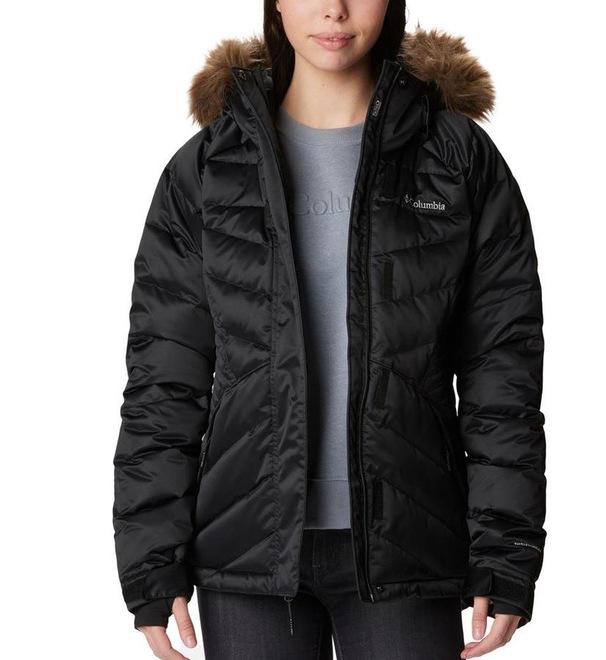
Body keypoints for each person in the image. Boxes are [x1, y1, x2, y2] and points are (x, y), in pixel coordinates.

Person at [112, 1, 547, 659]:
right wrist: (152, 560)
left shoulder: (457, 160)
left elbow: (502, 374)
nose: (334, 9)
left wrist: (505, 553)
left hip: (409, 545)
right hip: (246, 549)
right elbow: (163, 380)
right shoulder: (207, 169)